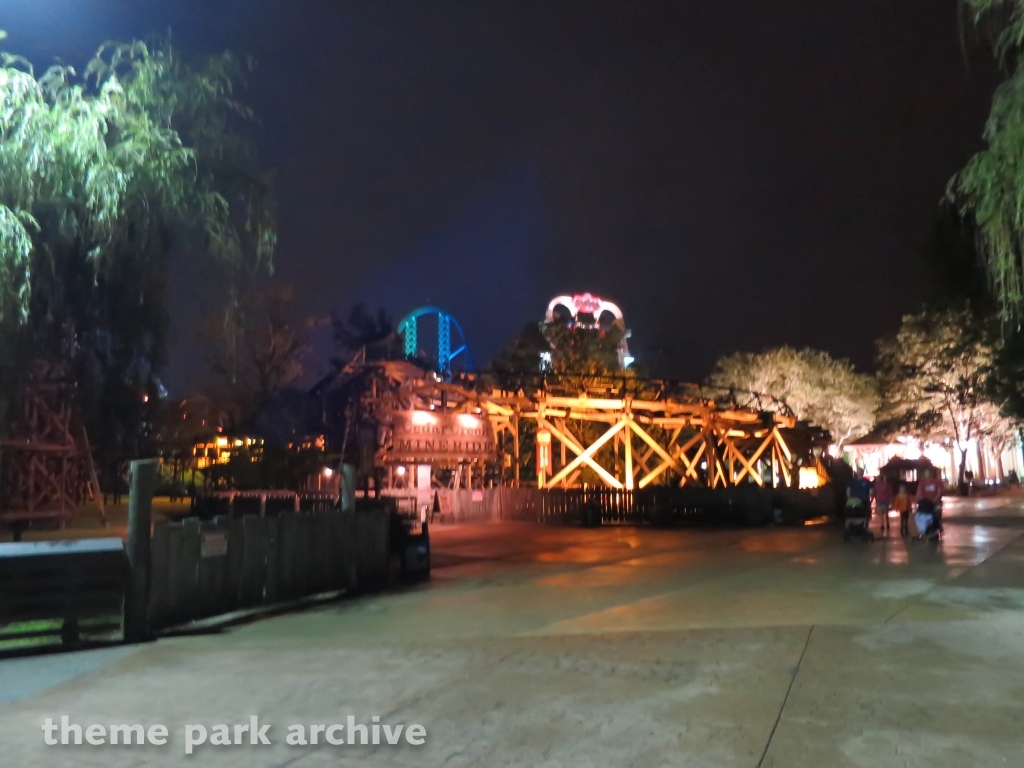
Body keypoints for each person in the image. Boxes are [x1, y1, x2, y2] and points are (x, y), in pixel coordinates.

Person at [916, 468, 944, 537]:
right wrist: (922, 499)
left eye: (929, 473)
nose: (927, 475)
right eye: (926, 473)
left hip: (936, 502)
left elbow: (939, 491)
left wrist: (935, 499)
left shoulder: (937, 482)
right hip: (926, 503)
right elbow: (920, 493)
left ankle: (938, 526)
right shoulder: (922, 483)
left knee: (937, 513)